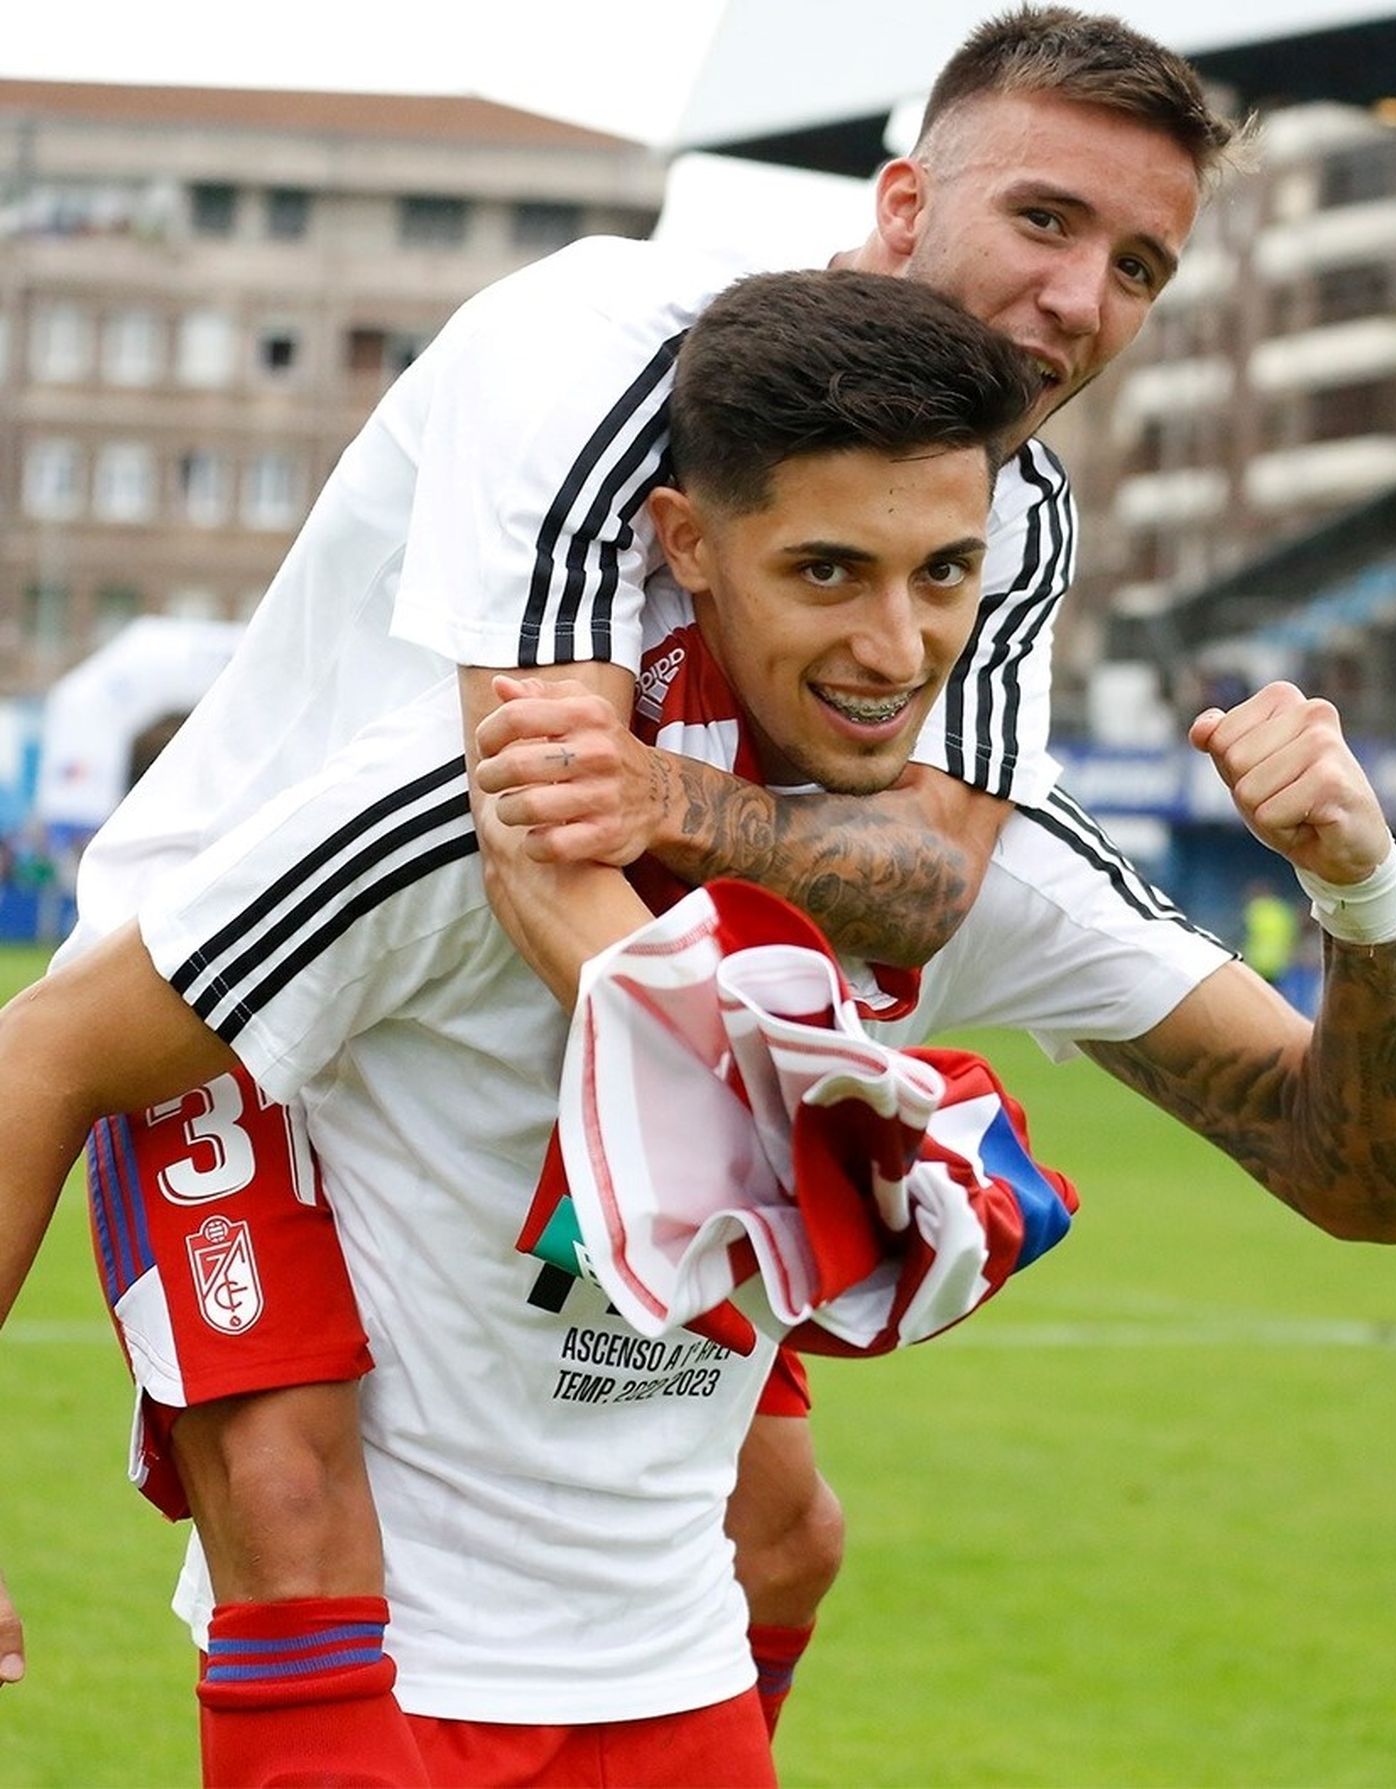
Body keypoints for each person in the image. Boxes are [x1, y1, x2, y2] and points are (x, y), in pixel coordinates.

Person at [4, 0, 1244, 1753]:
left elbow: (924, 876)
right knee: (294, 1512)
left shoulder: (1011, 507)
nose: (1079, 298)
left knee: (786, 1536)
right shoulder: (597, 354)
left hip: (560, 983)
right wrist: (797, 1107)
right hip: (258, 970)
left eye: (1139, 266)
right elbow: (543, 831)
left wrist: (773, 1003)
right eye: (1044, 219)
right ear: (901, 202)